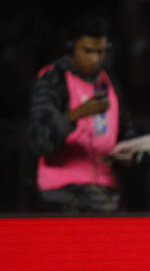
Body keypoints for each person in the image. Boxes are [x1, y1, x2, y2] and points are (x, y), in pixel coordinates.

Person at [26, 15, 141, 213]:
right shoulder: (53, 80)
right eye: (88, 51)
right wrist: (74, 115)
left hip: (104, 193)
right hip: (60, 193)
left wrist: (132, 153)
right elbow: (38, 140)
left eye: (101, 52)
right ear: (71, 48)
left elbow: (125, 131)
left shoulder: (110, 82)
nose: (95, 59)